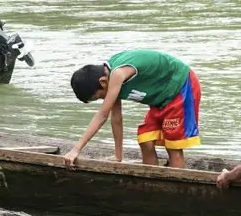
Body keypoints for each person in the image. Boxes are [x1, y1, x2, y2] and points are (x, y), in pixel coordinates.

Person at [66, 50, 201, 168]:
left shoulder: (118, 74)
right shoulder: (110, 78)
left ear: (102, 81)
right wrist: (118, 156)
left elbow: (102, 116)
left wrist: (76, 149)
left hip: (180, 86)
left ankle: (175, 190)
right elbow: (116, 118)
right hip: (160, 98)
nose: (103, 100)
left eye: (98, 97)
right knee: (145, 139)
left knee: (173, 146)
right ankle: (152, 183)